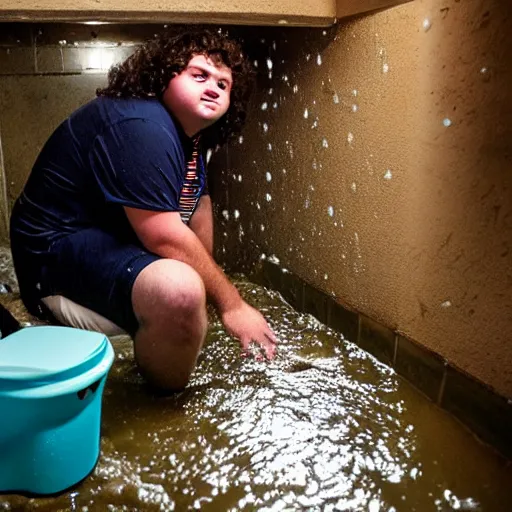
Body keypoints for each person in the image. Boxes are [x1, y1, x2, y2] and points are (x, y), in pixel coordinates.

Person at [9, 29, 278, 391]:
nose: (213, 87)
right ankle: (164, 409)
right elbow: (164, 235)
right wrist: (232, 306)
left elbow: (198, 208)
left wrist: (207, 299)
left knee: (192, 291)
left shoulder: (192, 140)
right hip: (50, 258)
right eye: (199, 75)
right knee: (179, 291)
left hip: (101, 242)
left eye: (224, 84)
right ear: (163, 75)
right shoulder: (142, 124)